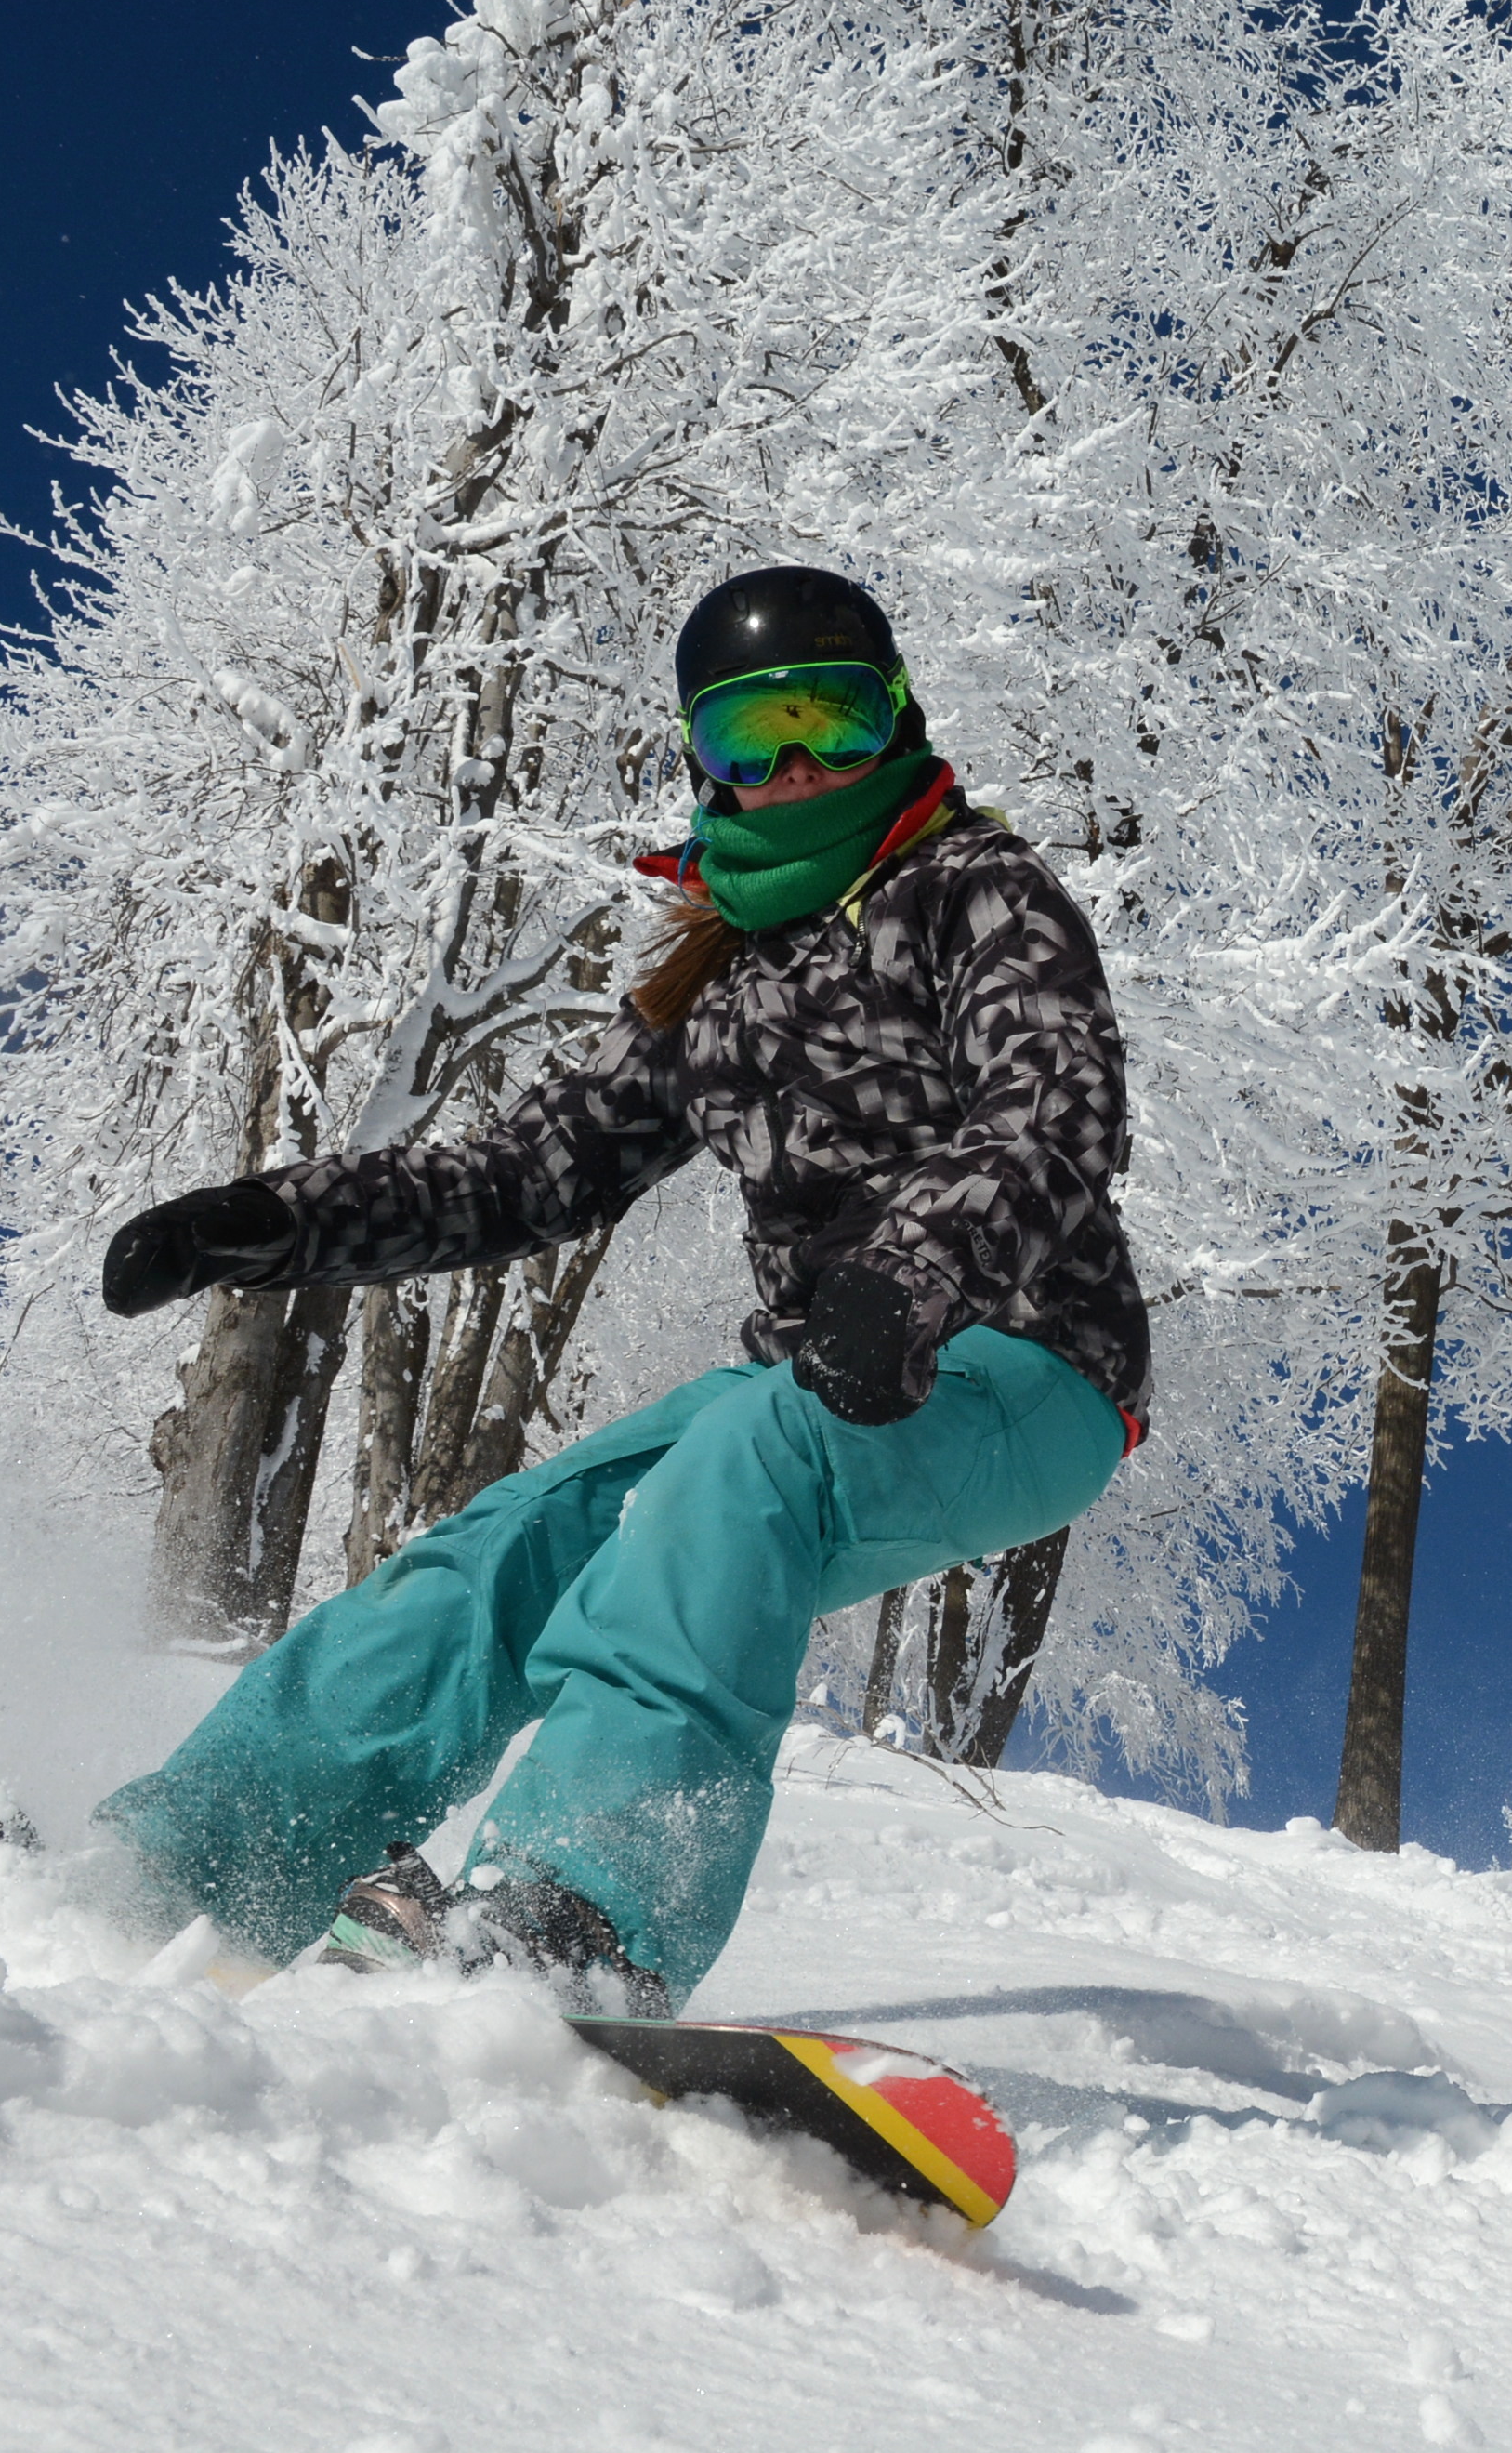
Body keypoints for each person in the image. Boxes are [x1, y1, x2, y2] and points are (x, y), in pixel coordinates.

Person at [85, 566, 1149, 2016]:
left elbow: (1053, 1116)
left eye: (827, 724)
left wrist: (909, 1277)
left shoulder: (981, 895)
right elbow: (522, 1177)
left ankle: (583, 1914)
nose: (790, 771)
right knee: (513, 1545)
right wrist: (268, 1223)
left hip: (1026, 1361)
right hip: (813, 1379)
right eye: (746, 737)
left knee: (740, 1463)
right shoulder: (717, 993)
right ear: (697, 760)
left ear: (895, 723)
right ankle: (211, 1858)